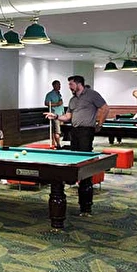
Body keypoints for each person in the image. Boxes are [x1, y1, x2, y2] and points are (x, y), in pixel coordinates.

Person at [44, 75, 108, 216]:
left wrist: (100, 124)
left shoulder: (92, 94)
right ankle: (75, 185)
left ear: (79, 84)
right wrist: (56, 117)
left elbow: (105, 108)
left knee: (85, 164)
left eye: (71, 84)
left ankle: (85, 205)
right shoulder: (73, 100)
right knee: (75, 162)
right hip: (75, 131)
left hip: (86, 131)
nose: (69, 87)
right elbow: (68, 116)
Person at [44, 80, 64, 148]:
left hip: (61, 114)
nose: (59, 86)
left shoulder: (59, 94)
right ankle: (58, 145)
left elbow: (61, 105)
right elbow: (46, 103)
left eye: (60, 84)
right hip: (54, 114)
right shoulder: (50, 94)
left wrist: (63, 113)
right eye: (58, 85)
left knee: (56, 130)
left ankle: (54, 143)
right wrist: (56, 104)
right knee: (57, 131)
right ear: (54, 85)